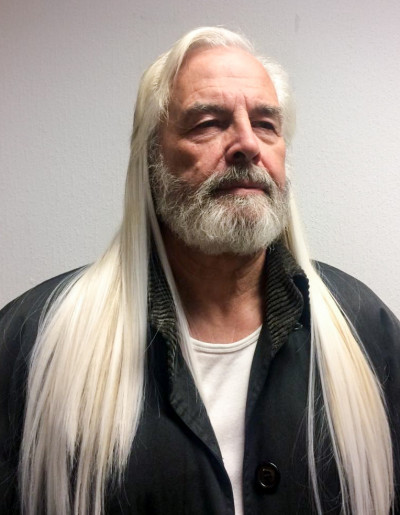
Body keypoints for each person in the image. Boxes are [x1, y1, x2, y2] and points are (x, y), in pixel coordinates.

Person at [0, 26, 399, 515]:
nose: (247, 144)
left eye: (266, 124)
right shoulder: (31, 344)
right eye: (209, 123)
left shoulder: (368, 331)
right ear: (151, 159)